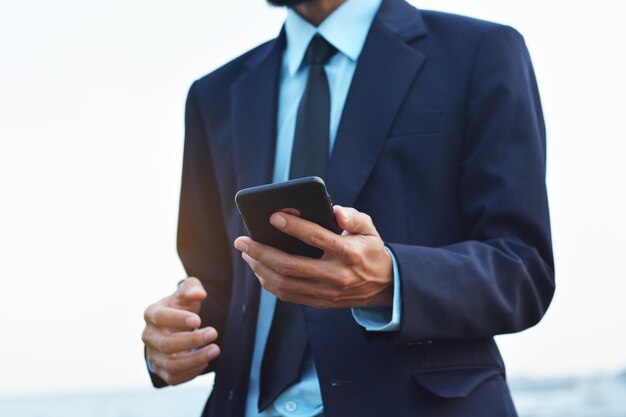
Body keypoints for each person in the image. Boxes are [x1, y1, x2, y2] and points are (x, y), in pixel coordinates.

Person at [141, 0, 555, 416]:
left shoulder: (481, 51)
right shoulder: (213, 95)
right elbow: (218, 287)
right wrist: (172, 340)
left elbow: (523, 269)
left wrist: (391, 281)